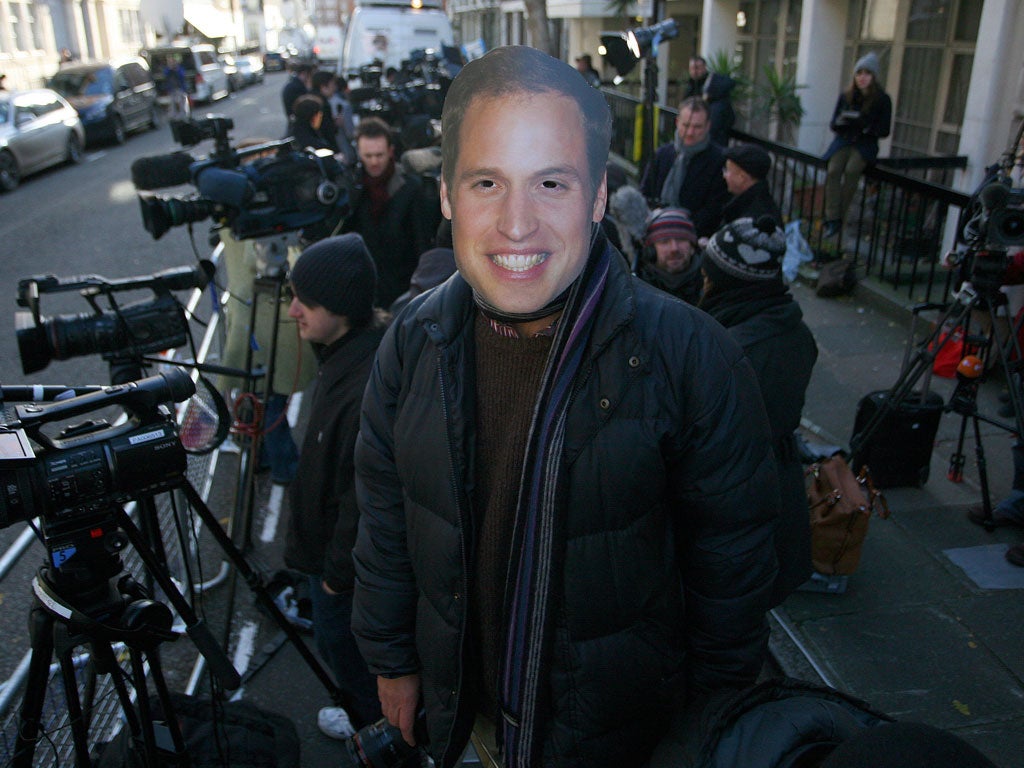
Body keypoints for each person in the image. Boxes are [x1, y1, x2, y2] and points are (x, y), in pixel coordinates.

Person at [351, 45, 780, 768]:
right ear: (449, 196)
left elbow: (732, 585)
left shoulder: (691, 358)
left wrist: (701, 734)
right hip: (467, 719)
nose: (517, 224)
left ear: (599, 198)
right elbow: (387, 517)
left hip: (622, 740)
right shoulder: (413, 340)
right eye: (487, 182)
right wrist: (392, 659)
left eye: (551, 183)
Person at [282, 233, 389, 740]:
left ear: (340, 309)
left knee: (348, 657)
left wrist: (335, 579)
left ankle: (377, 734)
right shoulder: (345, 354)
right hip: (330, 561)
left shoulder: (362, 382)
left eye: (305, 301)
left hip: (339, 573)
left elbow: (362, 496)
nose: (292, 311)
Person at [700, 216, 818, 605]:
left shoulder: (731, 350)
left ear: (725, 280)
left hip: (736, 499)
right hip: (779, 483)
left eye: (708, 272)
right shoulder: (794, 330)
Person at [343, 116, 433, 307]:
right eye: (368, 156)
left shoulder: (410, 188)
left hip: (404, 290)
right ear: (359, 153)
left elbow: (422, 244)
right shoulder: (353, 188)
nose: (374, 162)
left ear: (391, 151)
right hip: (365, 289)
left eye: (379, 155)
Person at [822, 52, 893, 238]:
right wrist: (844, 122)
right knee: (833, 170)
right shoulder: (846, 96)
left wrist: (866, 126)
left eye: (867, 73)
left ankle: (839, 217)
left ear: (874, 76)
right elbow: (833, 123)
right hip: (844, 140)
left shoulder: (882, 99)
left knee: (852, 171)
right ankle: (832, 217)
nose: (862, 77)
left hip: (864, 144)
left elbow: (884, 130)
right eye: (859, 73)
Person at [640, 96, 730, 238]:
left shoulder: (719, 160)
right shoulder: (662, 154)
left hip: (693, 236)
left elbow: (714, 210)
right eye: (686, 125)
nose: (690, 132)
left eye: (697, 127)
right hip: (656, 230)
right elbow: (645, 193)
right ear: (677, 122)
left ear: (708, 126)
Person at [637, 207, 703, 305]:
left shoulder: (709, 286)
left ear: (692, 247)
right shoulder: (637, 289)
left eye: (681, 240)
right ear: (652, 250)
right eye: (664, 242)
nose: (674, 249)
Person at [720, 143, 783, 225]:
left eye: (727, 170)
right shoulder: (756, 202)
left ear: (741, 177)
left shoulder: (751, 219)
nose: (724, 175)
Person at [684, 56, 736, 147]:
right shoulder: (692, 86)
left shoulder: (716, 83)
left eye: (697, 68)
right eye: (691, 68)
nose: (694, 71)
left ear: (704, 67)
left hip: (714, 137)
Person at [310, 70, 341, 153]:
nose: (335, 88)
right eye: (332, 85)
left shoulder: (311, 98)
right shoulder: (321, 104)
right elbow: (326, 130)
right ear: (323, 87)